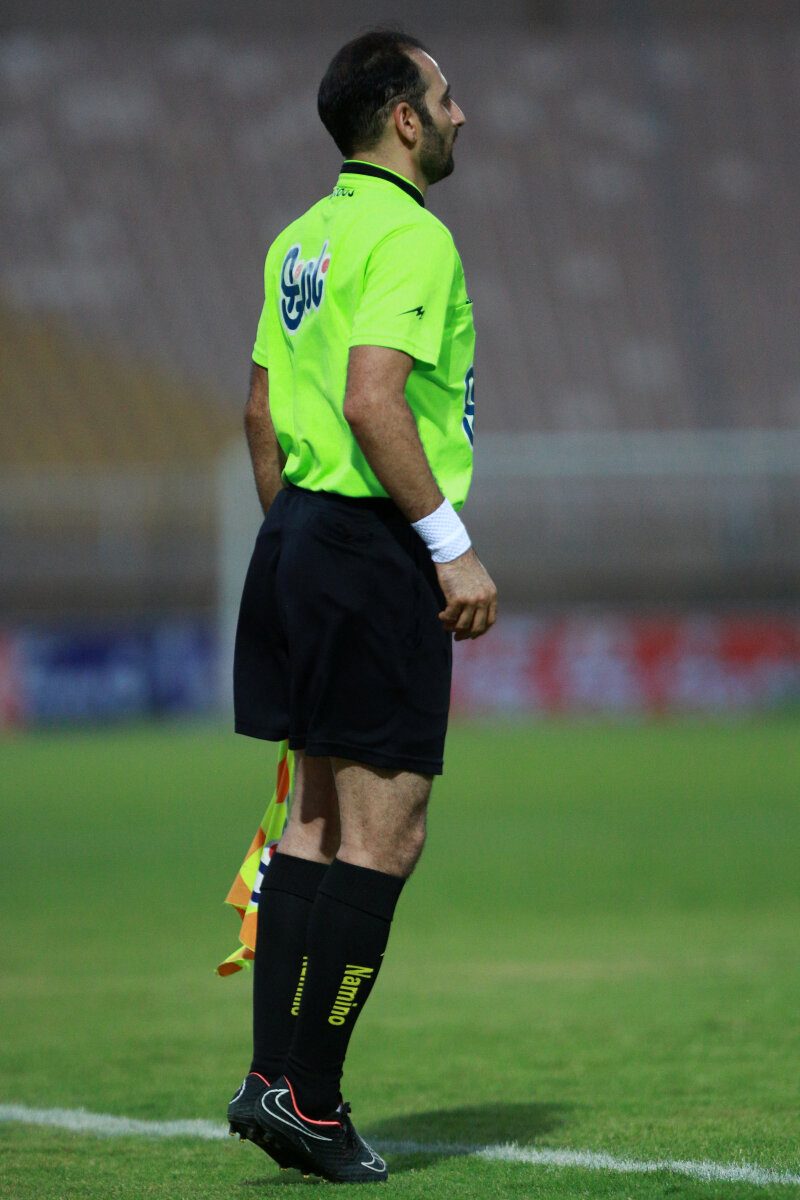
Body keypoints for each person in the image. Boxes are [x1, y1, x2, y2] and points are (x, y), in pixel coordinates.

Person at [226, 29, 497, 1184]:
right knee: (386, 832)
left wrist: (300, 548)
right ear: (402, 116)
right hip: (366, 543)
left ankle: (270, 1080)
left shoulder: (301, 236)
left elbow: (258, 412)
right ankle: (311, 1097)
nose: (459, 114)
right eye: (445, 95)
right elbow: (372, 399)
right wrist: (450, 550)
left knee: (316, 826)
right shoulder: (410, 236)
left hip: (293, 533)